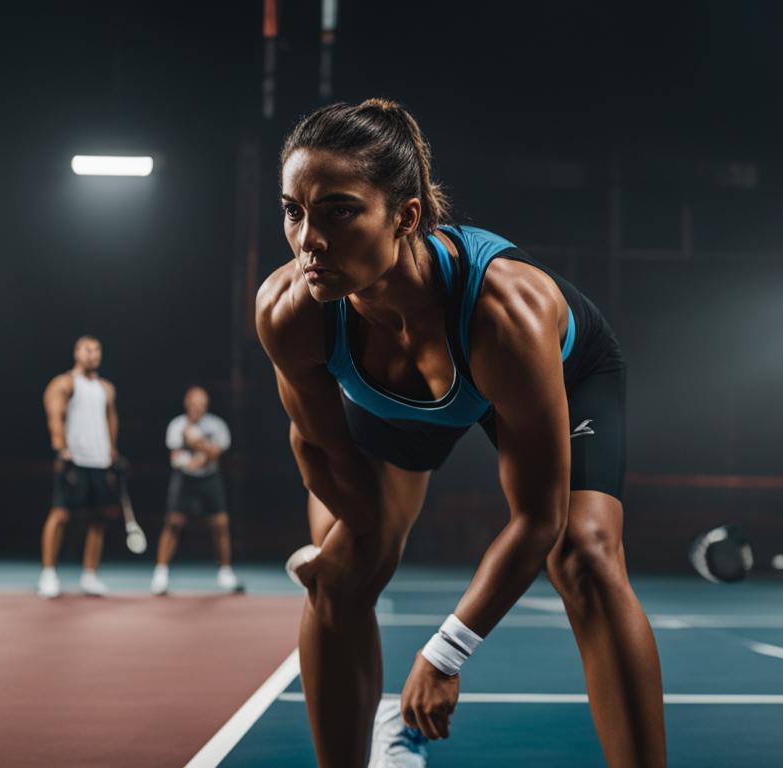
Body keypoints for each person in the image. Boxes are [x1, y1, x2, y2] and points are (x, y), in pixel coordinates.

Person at [256, 99, 666, 767]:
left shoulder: (507, 315)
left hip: (554, 367)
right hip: (399, 403)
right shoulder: (289, 311)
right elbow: (318, 447)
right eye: (293, 211)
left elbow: (540, 517)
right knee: (340, 578)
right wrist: (353, 545)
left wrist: (447, 652)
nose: (309, 240)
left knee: (584, 556)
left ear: (407, 215)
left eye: (338, 211)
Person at [37, 335, 120, 598]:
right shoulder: (65, 383)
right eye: (88, 349)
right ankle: (48, 575)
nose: (93, 354)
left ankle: (90, 576)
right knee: (60, 516)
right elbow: (54, 415)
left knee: (98, 520)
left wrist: (112, 452)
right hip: (74, 460)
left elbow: (111, 420)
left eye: (97, 350)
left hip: (99, 461)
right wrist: (61, 447)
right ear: (76, 353)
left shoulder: (106, 388)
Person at [150, 386, 243, 595]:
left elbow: (216, 453)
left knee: (220, 524)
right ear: (187, 403)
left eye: (202, 404)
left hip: (210, 478)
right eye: (194, 403)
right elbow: (175, 456)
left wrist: (197, 442)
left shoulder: (216, 425)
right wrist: (191, 460)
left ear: (206, 406)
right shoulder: (177, 425)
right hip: (184, 478)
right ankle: (160, 575)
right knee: (173, 522)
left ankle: (226, 573)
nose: (197, 408)